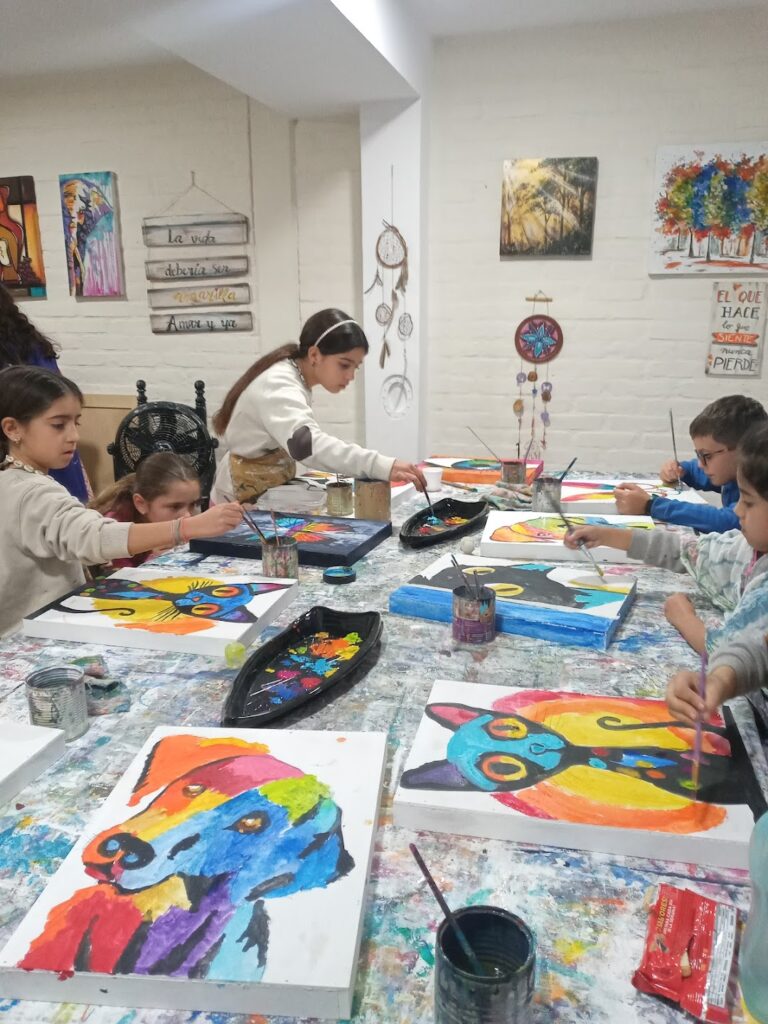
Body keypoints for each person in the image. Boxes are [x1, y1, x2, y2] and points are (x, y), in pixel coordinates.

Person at [0, 366, 244, 636]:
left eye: (75, 423)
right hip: (30, 637)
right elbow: (93, 536)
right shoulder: (33, 492)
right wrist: (188, 527)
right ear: (12, 428)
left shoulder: (13, 482)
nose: (74, 436)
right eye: (58, 425)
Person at [566, 421, 768, 726]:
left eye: (748, 501)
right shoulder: (745, 549)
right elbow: (686, 550)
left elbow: (731, 644)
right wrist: (607, 535)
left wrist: (683, 617)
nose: (737, 511)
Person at [211, 308, 427, 504]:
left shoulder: (294, 376)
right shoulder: (279, 384)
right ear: (314, 355)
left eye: (355, 367)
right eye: (344, 365)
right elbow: (307, 446)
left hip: (263, 490)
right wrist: (378, 465)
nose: (351, 376)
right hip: (237, 500)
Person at [614, 395, 767, 533]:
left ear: (743, 448)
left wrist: (651, 505)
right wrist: (678, 470)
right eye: (699, 456)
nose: (701, 464)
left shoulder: (762, 480)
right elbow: (694, 470)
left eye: (706, 456)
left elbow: (727, 521)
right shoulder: (731, 473)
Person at [0, 282, 89, 502]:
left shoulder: (23, 348)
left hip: (27, 444)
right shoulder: (31, 341)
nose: (75, 435)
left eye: (76, 423)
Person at [89, 452, 202, 569]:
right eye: (175, 506)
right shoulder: (114, 527)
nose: (187, 515)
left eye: (193, 504)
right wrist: (155, 559)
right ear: (141, 504)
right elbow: (120, 576)